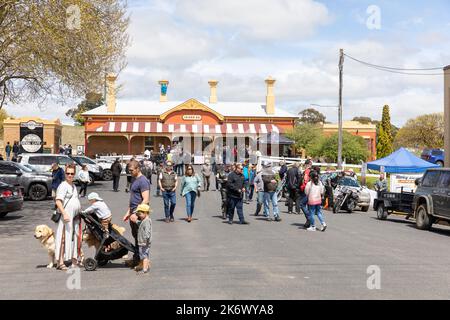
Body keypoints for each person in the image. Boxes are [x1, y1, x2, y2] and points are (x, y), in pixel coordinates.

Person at [122, 159, 151, 267]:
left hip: (140, 215)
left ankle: (143, 262)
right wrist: (128, 212)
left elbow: (146, 199)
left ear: (138, 169)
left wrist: (135, 213)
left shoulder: (143, 181)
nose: (130, 172)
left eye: (131, 170)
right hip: (133, 212)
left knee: (142, 239)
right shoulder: (134, 179)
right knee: (136, 237)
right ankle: (137, 259)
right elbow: (133, 198)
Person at [54, 164, 82, 270]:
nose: (70, 175)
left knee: (73, 238)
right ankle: (60, 262)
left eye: (72, 173)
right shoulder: (63, 185)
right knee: (62, 238)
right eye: (68, 173)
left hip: (74, 217)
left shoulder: (73, 186)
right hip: (66, 217)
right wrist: (64, 213)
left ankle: (74, 259)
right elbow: (58, 201)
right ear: (65, 174)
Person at [134, 204, 152, 274]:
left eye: (139, 214)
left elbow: (147, 232)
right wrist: (136, 221)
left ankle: (144, 269)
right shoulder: (144, 220)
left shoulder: (147, 221)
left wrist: (145, 240)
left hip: (145, 242)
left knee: (144, 256)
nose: (138, 215)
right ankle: (145, 266)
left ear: (145, 213)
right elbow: (141, 224)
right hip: (142, 242)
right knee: (143, 255)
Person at [299, 160, 313, 228]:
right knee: (309, 206)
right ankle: (308, 221)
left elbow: (305, 181)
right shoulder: (313, 171)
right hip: (313, 190)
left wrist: (302, 188)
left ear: (307, 165)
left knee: (302, 204)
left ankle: (309, 218)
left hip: (307, 190)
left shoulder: (307, 171)